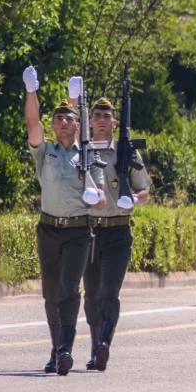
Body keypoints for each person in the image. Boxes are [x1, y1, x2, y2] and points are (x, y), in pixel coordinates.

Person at [23, 67, 101, 376]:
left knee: (69, 289)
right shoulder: (46, 152)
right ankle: (56, 349)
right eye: (58, 119)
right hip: (48, 230)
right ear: (53, 126)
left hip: (78, 231)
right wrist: (31, 91)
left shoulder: (88, 156)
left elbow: (101, 198)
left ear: (77, 124)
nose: (63, 122)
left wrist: (95, 196)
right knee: (51, 292)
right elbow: (33, 123)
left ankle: (66, 348)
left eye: (69, 118)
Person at [81, 97, 151, 371]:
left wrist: (133, 198)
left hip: (118, 230)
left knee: (109, 292)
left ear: (115, 122)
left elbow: (144, 189)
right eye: (97, 116)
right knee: (91, 295)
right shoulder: (83, 150)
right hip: (90, 231)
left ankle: (104, 344)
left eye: (106, 116)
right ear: (90, 121)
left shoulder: (126, 152)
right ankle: (95, 345)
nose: (101, 120)